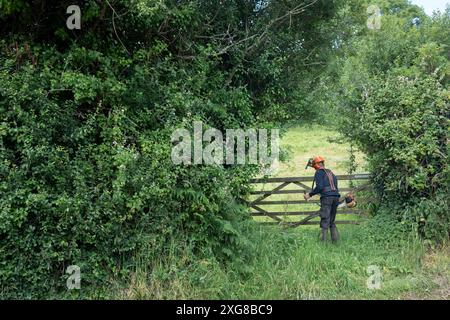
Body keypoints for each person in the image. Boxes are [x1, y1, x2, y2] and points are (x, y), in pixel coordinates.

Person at [304, 156, 340, 243]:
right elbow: (334, 187)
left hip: (327, 198)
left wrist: (309, 194)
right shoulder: (331, 172)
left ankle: (323, 243)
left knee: (325, 219)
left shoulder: (319, 173)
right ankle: (335, 242)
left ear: (316, 165)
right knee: (331, 220)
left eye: (313, 166)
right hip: (336, 197)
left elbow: (320, 187)